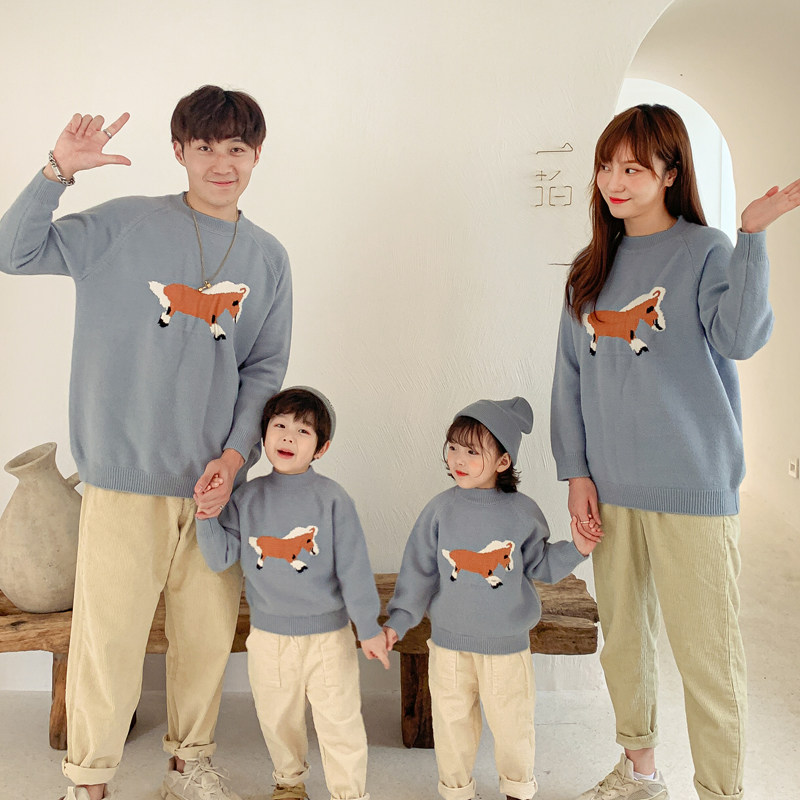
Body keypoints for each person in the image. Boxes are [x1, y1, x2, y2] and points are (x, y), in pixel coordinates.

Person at [0, 86, 292, 800]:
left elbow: (264, 370)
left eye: (236, 148)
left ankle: (189, 766)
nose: (221, 163)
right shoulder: (123, 226)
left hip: (216, 490)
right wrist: (57, 172)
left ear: (256, 155)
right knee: (108, 639)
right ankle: (89, 778)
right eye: (205, 147)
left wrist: (234, 459)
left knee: (205, 639)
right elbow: (14, 252)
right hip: (122, 481)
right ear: (179, 151)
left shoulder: (268, 258)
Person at [550, 104, 800, 800]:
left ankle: (721, 792)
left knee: (707, 660)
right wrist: (576, 474)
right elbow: (569, 378)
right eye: (606, 165)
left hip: (693, 486)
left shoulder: (707, 249)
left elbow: (740, 338)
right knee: (625, 646)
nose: (614, 181)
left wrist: (752, 236)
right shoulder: (589, 269)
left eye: (633, 167)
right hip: (612, 491)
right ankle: (641, 774)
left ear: (670, 173)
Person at [384, 397, 599, 800]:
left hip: (506, 649)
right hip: (448, 646)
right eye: (453, 447)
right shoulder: (439, 510)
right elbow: (418, 572)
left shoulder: (523, 512)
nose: (458, 459)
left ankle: (517, 790)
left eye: (472, 451)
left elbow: (541, 565)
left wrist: (578, 549)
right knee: (452, 726)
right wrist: (398, 621)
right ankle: (456, 792)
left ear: (503, 461)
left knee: (513, 724)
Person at [197, 386, 389, 800]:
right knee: (277, 718)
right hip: (269, 639)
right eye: (279, 425)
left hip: (328, 638)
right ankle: (288, 782)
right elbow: (219, 558)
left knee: (340, 722)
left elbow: (354, 570)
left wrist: (369, 627)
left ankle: (349, 794)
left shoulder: (333, 500)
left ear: (321, 448)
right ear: (264, 434)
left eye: (303, 431)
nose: (288, 436)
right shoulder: (246, 498)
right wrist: (206, 515)